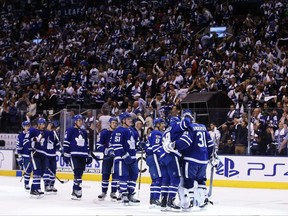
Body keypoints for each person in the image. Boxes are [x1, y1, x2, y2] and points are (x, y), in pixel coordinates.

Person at [109, 112, 140, 206]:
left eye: (130, 118)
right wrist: (124, 155)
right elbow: (117, 146)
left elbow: (135, 144)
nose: (130, 120)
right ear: (123, 120)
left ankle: (130, 193)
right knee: (124, 176)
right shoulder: (119, 131)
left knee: (134, 175)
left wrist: (141, 145)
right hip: (123, 158)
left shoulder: (133, 131)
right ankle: (123, 194)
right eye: (128, 119)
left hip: (133, 158)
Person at [63, 114, 93, 200]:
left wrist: (89, 155)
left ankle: (75, 191)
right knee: (77, 173)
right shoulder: (70, 130)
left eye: (81, 121)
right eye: (79, 121)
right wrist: (66, 154)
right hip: (74, 155)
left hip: (83, 155)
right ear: (75, 121)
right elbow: (66, 142)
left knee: (80, 173)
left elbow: (86, 145)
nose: (80, 122)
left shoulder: (84, 132)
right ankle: (77, 190)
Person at [24, 118, 53, 198]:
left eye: (44, 124)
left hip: (43, 154)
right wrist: (33, 143)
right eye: (41, 124)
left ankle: (34, 189)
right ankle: (36, 189)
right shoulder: (32, 130)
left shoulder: (46, 133)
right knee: (37, 171)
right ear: (38, 124)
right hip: (35, 154)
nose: (43, 126)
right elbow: (26, 141)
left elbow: (46, 144)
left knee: (42, 172)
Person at [95, 117, 118, 201]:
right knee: (105, 174)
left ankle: (113, 192)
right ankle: (104, 192)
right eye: (113, 123)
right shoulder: (104, 132)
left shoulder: (119, 133)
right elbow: (99, 145)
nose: (114, 124)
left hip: (116, 157)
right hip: (107, 157)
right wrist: (106, 151)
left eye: (116, 123)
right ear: (109, 123)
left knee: (115, 175)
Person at [145, 117, 166, 208]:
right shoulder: (157, 133)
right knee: (158, 178)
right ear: (157, 125)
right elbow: (156, 148)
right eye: (161, 124)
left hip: (150, 157)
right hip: (154, 157)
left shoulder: (152, 133)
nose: (163, 125)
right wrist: (163, 155)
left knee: (155, 179)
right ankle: (155, 199)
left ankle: (152, 198)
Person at [43, 121, 61, 193]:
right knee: (47, 170)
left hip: (53, 155)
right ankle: (46, 185)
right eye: (49, 124)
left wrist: (60, 149)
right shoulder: (44, 133)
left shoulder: (54, 133)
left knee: (53, 170)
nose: (50, 126)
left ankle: (52, 184)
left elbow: (56, 143)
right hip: (46, 155)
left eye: (51, 124)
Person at [16, 120, 32, 191]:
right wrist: (19, 158)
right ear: (23, 127)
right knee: (27, 170)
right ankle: (26, 183)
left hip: (33, 155)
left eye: (28, 125)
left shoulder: (32, 134)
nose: (27, 127)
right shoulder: (20, 136)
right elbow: (19, 147)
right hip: (25, 155)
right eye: (26, 126)